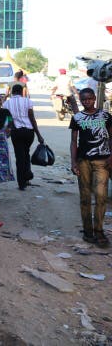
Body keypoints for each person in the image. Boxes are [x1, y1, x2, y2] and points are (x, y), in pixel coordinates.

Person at [69, 87, 112, 247]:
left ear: (94, 98)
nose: (87, 102)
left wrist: (111, 156)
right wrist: (73, 162)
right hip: (83, 161)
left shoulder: (105, 116)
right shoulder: (77, 118)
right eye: (84, 100)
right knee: (85, 197)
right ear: (80, 101)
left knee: (101, 196)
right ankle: (88, 231)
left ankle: (99, 230)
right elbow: (74, 141)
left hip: (102, 161)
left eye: (89, 99)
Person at [4, 84, 44, 189]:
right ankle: (27, 176)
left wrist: (8, 132)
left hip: (16, 132)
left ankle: (22, 183)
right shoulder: (28, 101)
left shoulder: (7, 103)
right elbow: (32, 119)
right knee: (26, 153)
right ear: (22, 92)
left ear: (12, 92)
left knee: (19, 156)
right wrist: (38, 135)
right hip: (29, 132)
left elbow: (8, 120)